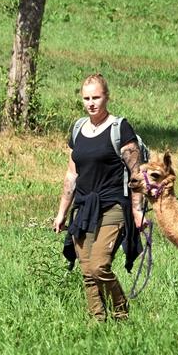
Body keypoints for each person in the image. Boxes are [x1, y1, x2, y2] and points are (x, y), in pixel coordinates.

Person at [51, 73, 145, 322]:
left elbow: (136, 174)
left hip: (112, 205)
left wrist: (137, 210)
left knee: (98, 266)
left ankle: (121, 306)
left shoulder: (120, 128)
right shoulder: (78, 128)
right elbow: (72, 174)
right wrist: (61, 212)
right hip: (84, 207)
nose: (91, 103)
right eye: (86, 98)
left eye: (96, 97)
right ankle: (97, 320)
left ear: (107, 97)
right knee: (86, 271)